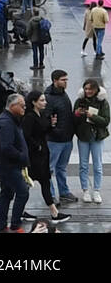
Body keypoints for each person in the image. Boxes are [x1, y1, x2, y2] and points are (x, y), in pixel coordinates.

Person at [21, 91, 71, 224]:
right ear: (34, 102)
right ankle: (22, 210)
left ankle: (53, 212)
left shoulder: (41, 114)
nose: (45, 102)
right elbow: (26, 135)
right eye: (42, 100)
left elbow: (44, 131)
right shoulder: (29, 117)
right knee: (29, 183)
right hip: (34, 156)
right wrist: (37, 146)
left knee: (43, 182)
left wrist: (52, 124)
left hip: (43, 154)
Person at [0, 92, 30, 234]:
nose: (24, 107)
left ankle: (1, 226)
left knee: (6, 194)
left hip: (8, 165)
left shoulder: (10, 119)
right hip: (9, 166)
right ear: (12, 106)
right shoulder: (6, 122)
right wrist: (21, 156)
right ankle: (15, 224)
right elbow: (6, 147)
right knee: (23, 193)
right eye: (22, 105)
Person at [73, 77, 110, 204]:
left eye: (91, 89)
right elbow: (74, 121)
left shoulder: (103, 102)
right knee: (83, 165)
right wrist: (77, 114)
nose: (88, 91)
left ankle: (97, 190)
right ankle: (85, 191)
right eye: (86, 88)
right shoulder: (79, 101)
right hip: (83, 136)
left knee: (98, 166)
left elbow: (105, 121)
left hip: (97, 137)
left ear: (96, 90)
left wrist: (92, 116)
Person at [44, 70, 78, 207]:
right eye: (63, 80)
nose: (66, 82)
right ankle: (50, 195)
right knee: (49, 169)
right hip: (54, 140)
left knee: (62, 168)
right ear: (55, 80)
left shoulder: (63, 94)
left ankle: (64, 192)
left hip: (67, 139)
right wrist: (54, 130)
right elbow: (46, 119)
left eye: (66, 80)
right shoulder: (48, 97)